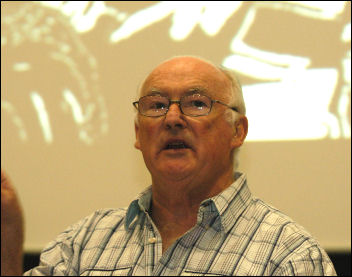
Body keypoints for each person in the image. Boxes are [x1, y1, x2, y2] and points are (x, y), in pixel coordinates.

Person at [1, 56, 336, 276]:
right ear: (137, 133)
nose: (173, 118)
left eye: (196, 103)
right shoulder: (84, 243)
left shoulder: (289, 256)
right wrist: (6, 233)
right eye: (157, 105)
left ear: (238, 131)